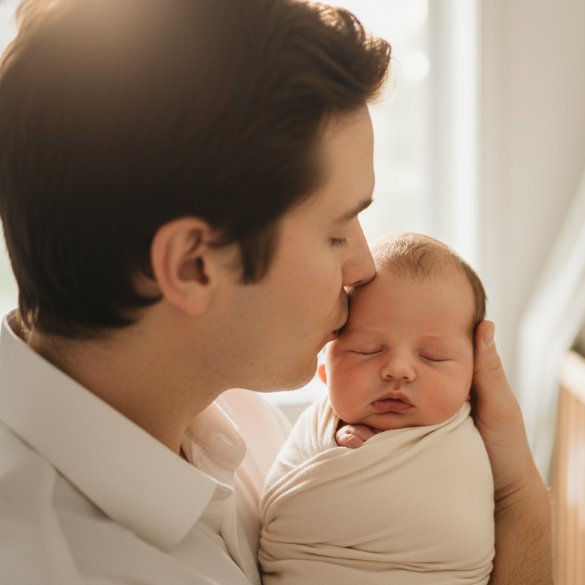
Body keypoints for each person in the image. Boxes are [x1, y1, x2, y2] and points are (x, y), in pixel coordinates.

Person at [0, 1, 552, 584]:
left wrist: (513, 488)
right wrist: (521, 502)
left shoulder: (234, 416)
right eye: (336, 232)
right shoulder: (59, 564)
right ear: (193, 266)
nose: (363, 267)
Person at [260, 232, 495, 585]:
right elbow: (286, 512)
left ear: (473, 376)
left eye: (433, 356)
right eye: (367, 350)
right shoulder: (314, 429)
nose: (398, 369)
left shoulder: (479, 436)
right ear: (326, 372)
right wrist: (341, 456)